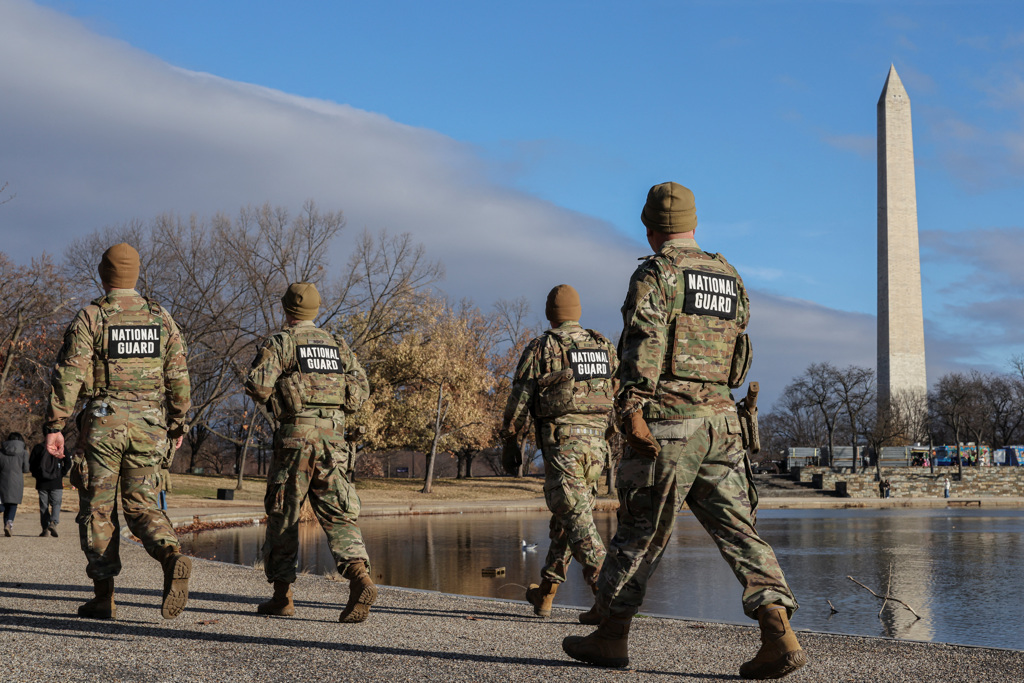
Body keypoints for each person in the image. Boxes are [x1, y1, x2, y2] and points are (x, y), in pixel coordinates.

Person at [562, 183, 806, 679]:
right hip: (724, 422)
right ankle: (778, 629)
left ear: (651, 228)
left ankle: (611, 637)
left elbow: (643, 344)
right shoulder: (729, 274)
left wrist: (630, 411)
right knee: (740, 531)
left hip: (669, 425)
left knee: (640, 533)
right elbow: (739, 356)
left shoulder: (656, 273)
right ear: (694, 223)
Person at [44, 243, 192, 620]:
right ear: (136, 273)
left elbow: (70, 375)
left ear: (103, 274)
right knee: (142, 504)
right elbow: (178, 377)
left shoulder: (91, 317)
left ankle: (104, 596)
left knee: (98, 510)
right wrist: (177, 423)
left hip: (103, 424)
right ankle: (170, 554)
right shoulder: (162, 319)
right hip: (149, 423)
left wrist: (55, 425)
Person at [244, 282, 375, 623]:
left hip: (295, 440)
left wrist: (278, 399)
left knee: (284, 515)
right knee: (338, 513)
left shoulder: (282, 343)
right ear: (316, 310)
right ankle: (360, 576)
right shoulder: (338, 344)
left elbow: (258, 385)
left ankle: (282, 596)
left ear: (286, 309)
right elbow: (361, 390)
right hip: (334, 441)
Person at [500, 284, 618, 623]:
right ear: (577, 312)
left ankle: (610, 599)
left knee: (578, 522)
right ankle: (546, 594)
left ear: (551, 314)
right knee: (569, 520)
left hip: (563, 445)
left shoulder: (542, 347)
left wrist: (509, 442)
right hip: (597, 449)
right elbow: (618, 392)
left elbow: (519, 402)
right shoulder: (603, 346)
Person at [30, 440, 72, 536]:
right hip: (56, 481)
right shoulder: (60, 447)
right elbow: (68, 462)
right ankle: (53, 522)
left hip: (42, 481)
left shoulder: (38, 447)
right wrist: (61, 473)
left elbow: (31, 464)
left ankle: (45, 528)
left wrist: (38, 475)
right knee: (56, 503)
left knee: (44, 506)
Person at [0, 433, 31, 536]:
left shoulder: (1, 451)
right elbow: (26, 469)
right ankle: (9, 523)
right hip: (16, 480)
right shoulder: (23, 452)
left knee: (3, 503)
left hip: (2, 480)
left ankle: (6, 522)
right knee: (13, 504)